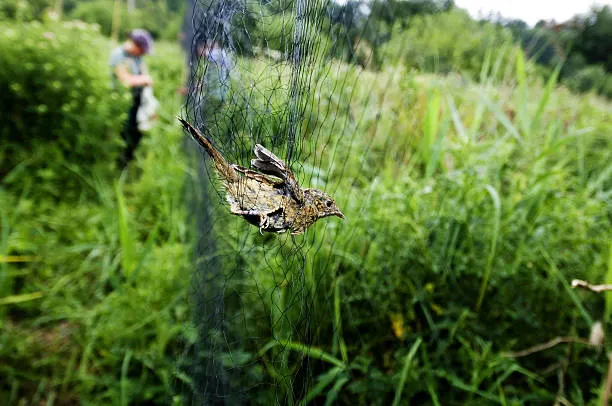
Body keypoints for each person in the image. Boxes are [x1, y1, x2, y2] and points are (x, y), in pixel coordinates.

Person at [109, 29, 154, 168]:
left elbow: (144, 77)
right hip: (122, 101)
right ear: (135, 44)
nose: (143, 54)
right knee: (124, 133)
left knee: (136, 132)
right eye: (142, 50)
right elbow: (125, 80)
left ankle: (129, 161)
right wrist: (144, 79)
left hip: (136, 100)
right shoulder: (119, 55)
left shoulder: (137, 57)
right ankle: (119, 165)